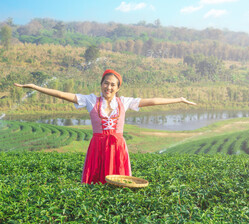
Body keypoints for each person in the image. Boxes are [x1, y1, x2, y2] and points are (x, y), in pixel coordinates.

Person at [14, 69, 196, 184]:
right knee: (95, 181)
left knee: (120, 182)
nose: (108, 87)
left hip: (117, 146)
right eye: (106, 83)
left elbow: (154, 101)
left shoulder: (124, 102)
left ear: (118, 88)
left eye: (113, 84)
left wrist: (179, 99)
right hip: (97, 146)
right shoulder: (90, 100)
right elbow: (62, 94)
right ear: (101, 84)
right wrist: (35, 87)